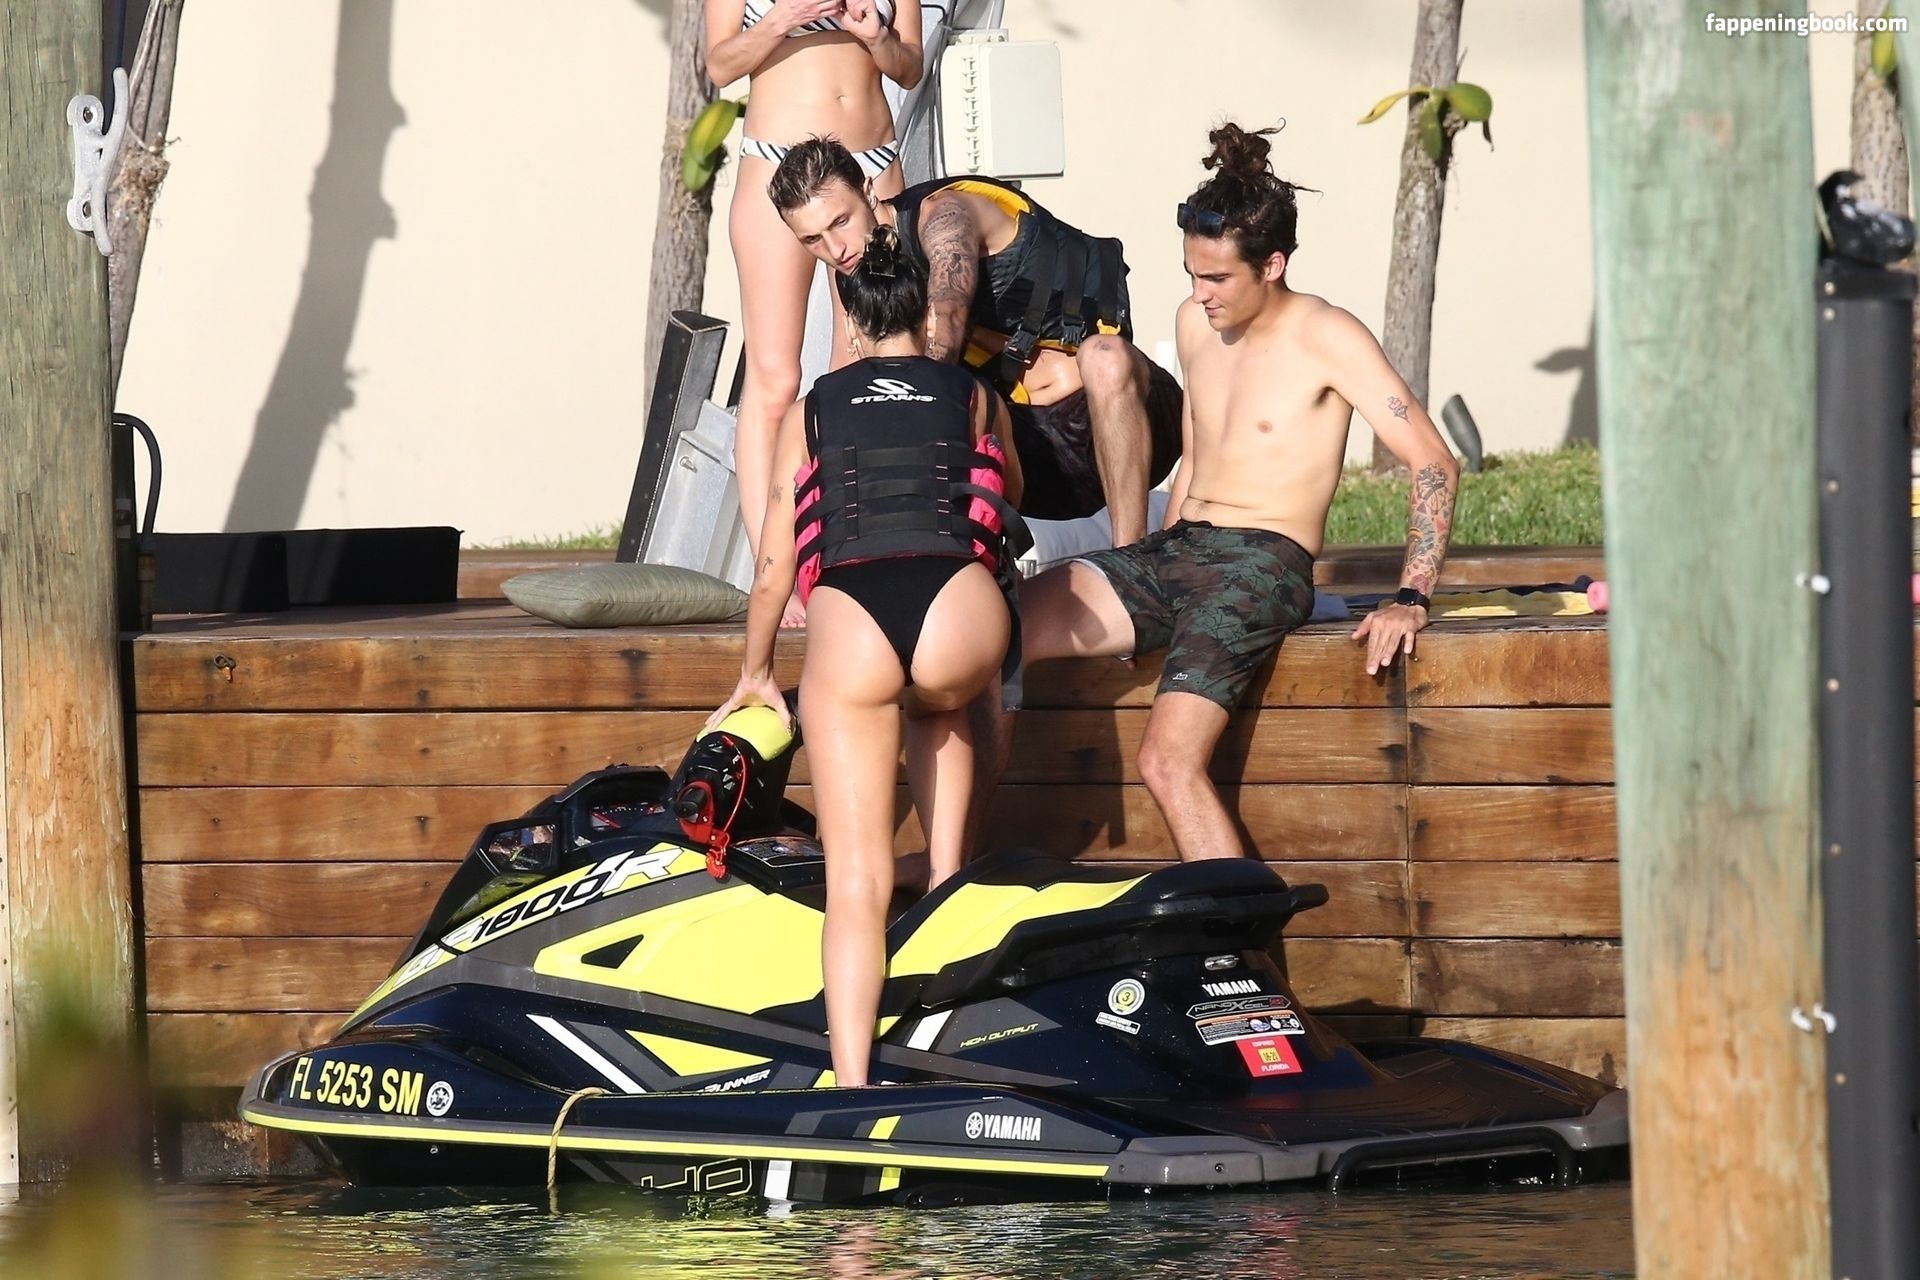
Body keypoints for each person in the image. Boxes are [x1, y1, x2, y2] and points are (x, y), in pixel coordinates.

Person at [998, 122, 1461, 861]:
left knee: (1166, 761)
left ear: (1272, 265)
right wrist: (1145, 574)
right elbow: (1195, 455)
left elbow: (1434, 461)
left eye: (1217, 279)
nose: (1199, 293)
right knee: (992, 633)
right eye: (1191, 273)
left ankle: (1237, 925)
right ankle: (949, 863)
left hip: (1261, 562)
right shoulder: (1194, 324)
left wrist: (1411, 596)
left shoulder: (1329, 336)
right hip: (1176, 550)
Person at [708, 225, 1023, 1086]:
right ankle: (951, 1042)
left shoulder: (815, 409)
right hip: (960, 617)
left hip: (856, 623)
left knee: (856, 882)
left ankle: (853, 1084)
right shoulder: (973, 394)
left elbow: (775, 566)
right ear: (926, 312)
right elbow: (1008, 497)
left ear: (849, 318)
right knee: (940, 708)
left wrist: (755, 673)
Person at [768, 138, 1183, 547]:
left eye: (840, 221)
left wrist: (909, 411)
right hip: (1032, 456)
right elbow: (851, 380)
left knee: (1104, 356)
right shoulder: (854, 273)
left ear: (869, 191)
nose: (835, 249)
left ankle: (1131, 557)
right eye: (812, 240)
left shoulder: (944, 214)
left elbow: (947, 315)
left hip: (1122, 422)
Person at [704, 0, 925, 625]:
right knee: (775, 378)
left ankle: (854, 548)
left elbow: (909, 67)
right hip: (777, 160)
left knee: (863, 369)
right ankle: (772, 567)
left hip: (871, 162)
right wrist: (780, 21)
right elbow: (719, 66)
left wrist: (875, 37)